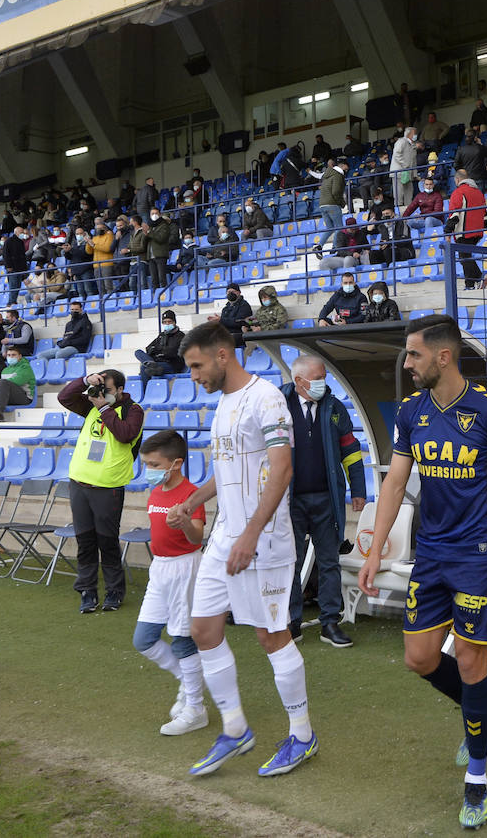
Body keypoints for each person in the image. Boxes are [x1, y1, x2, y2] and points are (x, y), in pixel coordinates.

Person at [358, 315, 487, 829]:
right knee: (419, 658)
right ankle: (486, 712)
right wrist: (375, 547)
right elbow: (394, 483)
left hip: (477, 556)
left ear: (443, 356)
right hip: (430, 555)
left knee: (472, 662)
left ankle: (477, 778)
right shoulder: (412, 412)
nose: (408, 364)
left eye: (414, 355)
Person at [170, 321, 317, 779]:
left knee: (271, 636)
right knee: (202, 629)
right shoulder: (224, 403)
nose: (193, 376)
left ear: (222, 355)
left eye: (196, 365)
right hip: (224, 536)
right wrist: (195, 499)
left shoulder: (267, 398)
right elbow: (229, 466)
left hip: (264, 541)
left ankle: (303, 734)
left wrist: (252, 532)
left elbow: (283, 468)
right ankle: (235, 728)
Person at [280, 355, 366, 648]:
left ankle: (330, 622)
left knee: (329, 561)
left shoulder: (335, 408)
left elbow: (352, 452)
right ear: (299, 381)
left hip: (326, 500)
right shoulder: (278, 405)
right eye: (318, 378)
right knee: (289, 562)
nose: (323, 383)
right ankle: (291, 623)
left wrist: (358, 490)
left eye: (324, 377)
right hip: (288, 501)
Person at [132, 430, 209, 736]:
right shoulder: (156, 492)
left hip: (185, 568)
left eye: (153, 465)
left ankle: (195, 708)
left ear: (175, 463)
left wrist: (186, 523)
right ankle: (189, 681)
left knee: (182, 639)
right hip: (160, 568)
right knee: (144, 639)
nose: (148, 471)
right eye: (146, 464)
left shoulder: (192, 494)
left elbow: (197, 537)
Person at [59, 369, 145, 613]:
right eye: (99, 388)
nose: (100, 394)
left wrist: (104, 408)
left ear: (119, 389)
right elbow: (65, 397)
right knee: (85, 542)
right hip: (79, 482)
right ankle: (87, 591)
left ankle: (114, 592)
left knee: (107, 542)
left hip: (108, 486)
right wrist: (85, 381)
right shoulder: (90, 406)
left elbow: (126, 434)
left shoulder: (133, 410)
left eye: (106, 389)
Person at [447, 170, 487, 290]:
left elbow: (454, 213)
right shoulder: (479, 192)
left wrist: (448, 231)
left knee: (464, 257)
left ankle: (479, 277)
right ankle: (469, 284)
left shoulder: (458, 192)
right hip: (477, 231)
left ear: (457, 180)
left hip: (464, 230)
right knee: (465, 256)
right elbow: (485, 214)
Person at [136, 310, 187, 382]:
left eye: (169, 322)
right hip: (157, 361)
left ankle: (145, 392)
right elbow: (149, 348)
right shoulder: (161, 335)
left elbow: (171, 352)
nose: (167, 324)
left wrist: (157, 351)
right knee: (138, 352)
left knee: (144, 368)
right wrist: (158, 351)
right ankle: (150, 363)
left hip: (171, 364)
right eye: (165, 322)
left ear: (174, 322)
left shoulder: (180, 336)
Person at [315, 158, 350, 253]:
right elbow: (335, 192)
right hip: (332, 204)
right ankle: (335, 247)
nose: (347, 171)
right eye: (346, 169)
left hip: (322, 205)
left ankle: (319, 245)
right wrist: (343, 204)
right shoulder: (338, 175)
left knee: (330, 228)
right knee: (339, 227)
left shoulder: (327, 175)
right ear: (342, 165)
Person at [209, 283, 253, 348]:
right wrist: (216, 322)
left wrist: (221, 320)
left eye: (233, 291)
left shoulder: (244, 306)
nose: (230, 294)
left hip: (239, 334)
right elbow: (223, 323)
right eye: (228, 292)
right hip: (226, 334)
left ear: (239, 292)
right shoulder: (225, 308)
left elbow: (239, 322)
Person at [147, 208, 178, 290]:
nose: (154, 215)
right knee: (154, 279)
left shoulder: (164, 225)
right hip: (150, 255)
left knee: (162, 278)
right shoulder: (149, 227)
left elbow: (161, 239)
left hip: (160, 254)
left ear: (160, 214)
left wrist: (149, 233)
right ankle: (155, 296)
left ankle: (164, 295)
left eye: (156, 213)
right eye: (152, 213)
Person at [391, 126, 419, 209]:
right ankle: (398, 212)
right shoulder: (401, 141)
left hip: (408, 173)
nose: (416, 135)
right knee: (398, 194)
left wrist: (415, 174)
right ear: (409, 134)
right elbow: (397, 154)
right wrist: (406, 165)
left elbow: (414, 161)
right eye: (414, 133)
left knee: (409, 193)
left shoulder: (413, 145)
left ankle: (408, 209)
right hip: (399, 172)